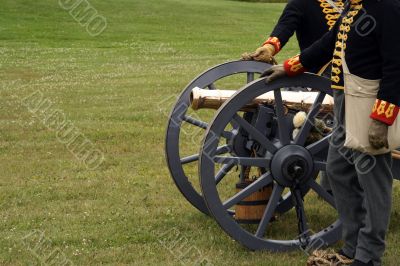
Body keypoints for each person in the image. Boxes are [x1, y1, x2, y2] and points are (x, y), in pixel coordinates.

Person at [263, 0, 399, 265]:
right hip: (344, 100)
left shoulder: (387, 6)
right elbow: (328, 43)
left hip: (369, 105)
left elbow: (397, 66)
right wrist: (292, 66)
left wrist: (382, 117)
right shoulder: (355, 5)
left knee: (374, 181)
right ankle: (353, 246)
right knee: (337, 170)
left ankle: (369, 255)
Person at [242, 0, 345, 193]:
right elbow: (286, 25)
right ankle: (333, 183)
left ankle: (335, 182)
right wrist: (270, 47)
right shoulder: (303, 2)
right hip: (318, 79)